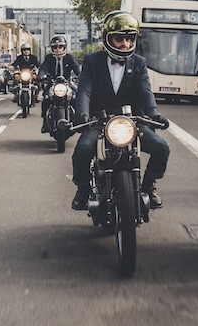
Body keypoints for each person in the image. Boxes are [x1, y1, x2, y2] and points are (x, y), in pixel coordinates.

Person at [69, 11, 170, 211]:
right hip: (98, 121)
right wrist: (82, 114)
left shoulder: (139, 62)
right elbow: (85, 91)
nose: (124, 44)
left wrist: (153, 114)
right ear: (108, 38)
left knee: (161, 148)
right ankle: (82, 188)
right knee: (82, 150)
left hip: (132, 122)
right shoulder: (92, 61)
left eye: (129, 38)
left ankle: (149, 186)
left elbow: (145, 91)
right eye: (119, 38)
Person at [37, 34, 81, 133]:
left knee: (76, 97)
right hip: (52, 83)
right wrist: (40, 76)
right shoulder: (48, 58)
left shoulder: (69, 58)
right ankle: (45, 122)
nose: (58, 49)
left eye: (60, 46)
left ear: (64, 47)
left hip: (67, 83)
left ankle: (77, 122)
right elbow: (43, 68)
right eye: (55, 47)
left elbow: (76, 68)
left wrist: (81, 76)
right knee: (46, 100)